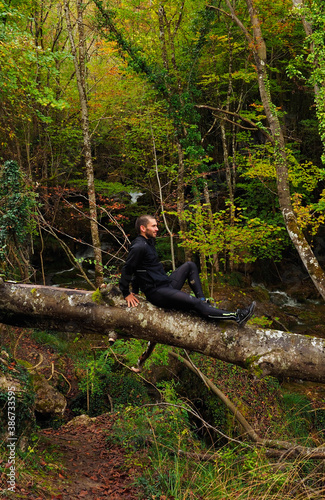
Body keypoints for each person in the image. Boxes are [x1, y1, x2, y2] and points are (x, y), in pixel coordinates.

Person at [119, 214, 255, 327]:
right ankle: (237, 316)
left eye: (156, 225)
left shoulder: (149, 242)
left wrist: (135, 290)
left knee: (190, 265)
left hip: (165, 284)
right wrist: (126, 293)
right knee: (194, 304)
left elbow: (139, 269)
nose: (157, 229)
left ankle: (203, 300)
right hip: (157, 293)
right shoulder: (138, 247)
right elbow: (128, 269)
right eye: (153, 226)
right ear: (143, 228)